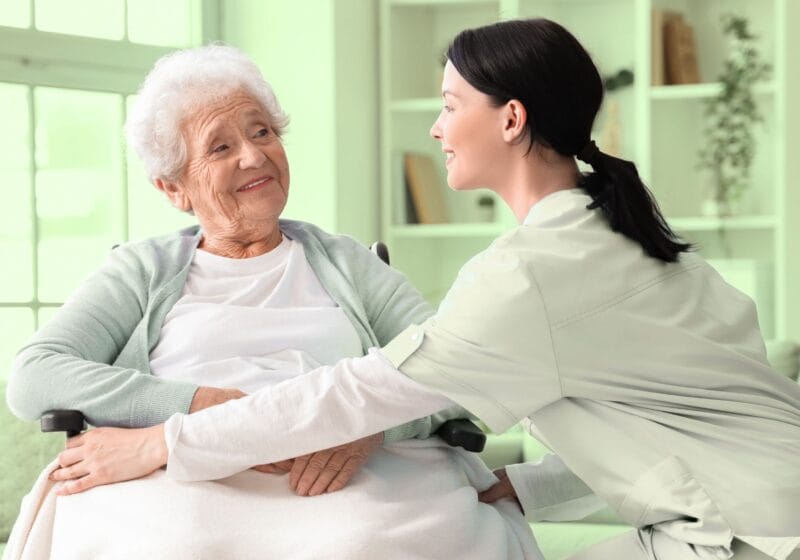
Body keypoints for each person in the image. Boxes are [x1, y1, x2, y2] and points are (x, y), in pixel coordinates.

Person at [21, 19, 800, 560]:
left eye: (449, 105)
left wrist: (164, 440)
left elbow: (378, 389)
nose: (434, 128)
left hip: (751, 534)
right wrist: (527, 486)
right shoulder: (625, 238)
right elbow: (686, 422)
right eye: (220, 147)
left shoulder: (526, 273)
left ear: (511, 119)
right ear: (172, 186)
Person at [4, 45, 541, 559]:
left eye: (262, 132)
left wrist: (370, 425)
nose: (254, 155)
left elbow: (455, 371)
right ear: (173, 188)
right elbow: (35, 376)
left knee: (366, 543)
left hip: (340, 476)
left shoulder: (349, 264)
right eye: (220, 147)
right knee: (172, 547)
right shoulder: (141, 271)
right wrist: (201, 405)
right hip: (183, 476)